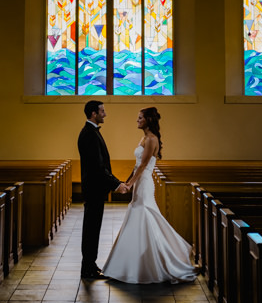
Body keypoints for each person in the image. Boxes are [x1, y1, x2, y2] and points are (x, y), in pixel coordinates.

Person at [101, 107, 197, 284]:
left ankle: (161, 259)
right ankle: (135, 263)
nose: (137, 120)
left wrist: (131, 184)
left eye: (140, 118)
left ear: (148, 120)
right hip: (139, 181)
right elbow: (136, 164)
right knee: (139, 217)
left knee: (145, 214)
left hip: (145, 183)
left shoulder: (152, 139)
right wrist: (127, 181)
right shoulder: (143, 138)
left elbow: (144, 165)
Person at [78, 100, 127, 279]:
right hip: (93, 189)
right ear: (93, 113)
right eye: (102, 111)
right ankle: (88, 268)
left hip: (94, 189)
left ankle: (90, 265)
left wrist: (114, 182)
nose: (105, 114)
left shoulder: (91, 132)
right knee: (91, 229)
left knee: (93, 228)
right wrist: (116, 184)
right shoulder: (89, 134)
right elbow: (97, 167)